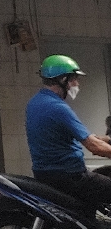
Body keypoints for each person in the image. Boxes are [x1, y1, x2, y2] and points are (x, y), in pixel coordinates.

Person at [26, 55, 111, 218]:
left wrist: (106, 140)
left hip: (45, 174)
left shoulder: (35, 102)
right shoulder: (58, 107)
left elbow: (67, 135)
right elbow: (93, 146)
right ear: (62, 79)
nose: (77, 84)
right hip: (69, 176)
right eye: (74, 79)